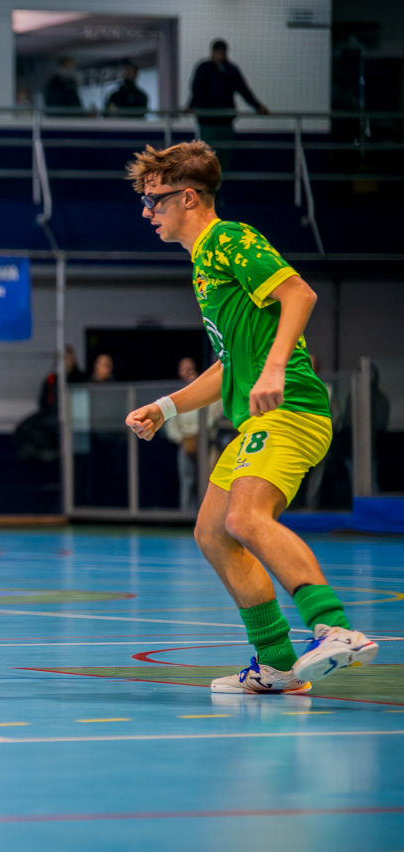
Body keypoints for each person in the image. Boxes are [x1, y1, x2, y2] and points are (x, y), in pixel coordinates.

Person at [123, 140, 378, 694]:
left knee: (244, 518)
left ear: (188, 198)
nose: (147, 212)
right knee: (212, 533)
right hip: (256, 419)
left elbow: (299, 293)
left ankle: (335, 629)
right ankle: (278, 664)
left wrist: (275, 369)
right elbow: (228, 366)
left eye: (154, 201)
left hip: (291, 410)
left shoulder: (230, 239)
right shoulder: (202, 265)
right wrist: (165, 408)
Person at [185, 40, 269, 172]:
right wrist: (190, 106)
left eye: (222, 52)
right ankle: (211, 185)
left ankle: (220, 184)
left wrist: (257, 107)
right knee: (207, 160)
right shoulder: (204, 69)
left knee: (223, 161)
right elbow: (196, 90)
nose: (220, 55)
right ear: (212, 52)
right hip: (208, 122)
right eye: (218, 52)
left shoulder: (230, 70)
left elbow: (243, 89)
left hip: (225, 122)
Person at [162, 357, 202, 511]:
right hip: (185, 444)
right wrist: (183, 439)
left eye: (190, 368)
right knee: (188, 481)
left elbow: (212, 415)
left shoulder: (202, 389)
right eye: (184, 368)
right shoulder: (175, 395)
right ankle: (186, 515)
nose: (188, 372)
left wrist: (201, 434)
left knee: (208, 480)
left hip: (205, 442)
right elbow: (171, 425)